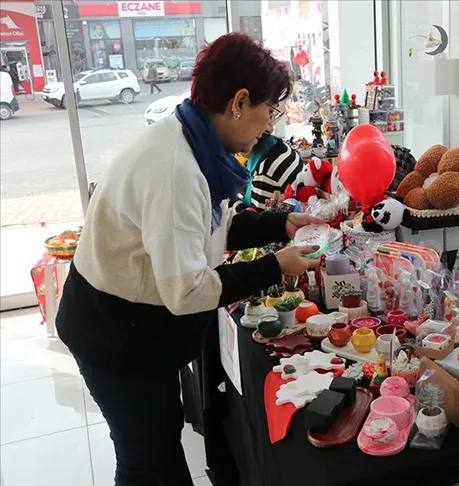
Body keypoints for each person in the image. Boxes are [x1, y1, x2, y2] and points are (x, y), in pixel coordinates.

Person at [56, 33, 323, 486]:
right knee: (145, 461)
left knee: (162, 436)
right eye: (270, 112)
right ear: (239, 101)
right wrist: (277, 266)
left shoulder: (195, 141)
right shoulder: (176, 168)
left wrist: (281, 224)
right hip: (115, 334)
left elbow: (212, 225)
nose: (270, 127)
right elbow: (188, 291)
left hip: (142, 331)